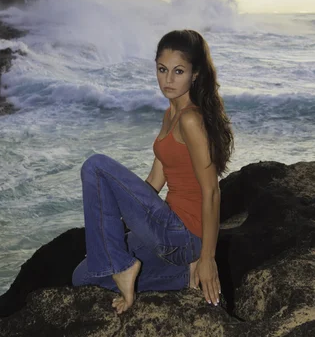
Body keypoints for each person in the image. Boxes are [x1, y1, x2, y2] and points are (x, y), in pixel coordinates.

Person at [72, 29, 234, 314]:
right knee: (85, 276)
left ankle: (131, 267)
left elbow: (211, 191)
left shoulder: (191, 119)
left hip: (183, 234)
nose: (168, 80)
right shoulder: (170, 114)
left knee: (96, 167)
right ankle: (182, 275)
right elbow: (154, 182)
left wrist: (208, 258)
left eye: (178, 71)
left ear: (195, 74)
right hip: (167, 234)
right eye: (162, 69)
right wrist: (107, 240)